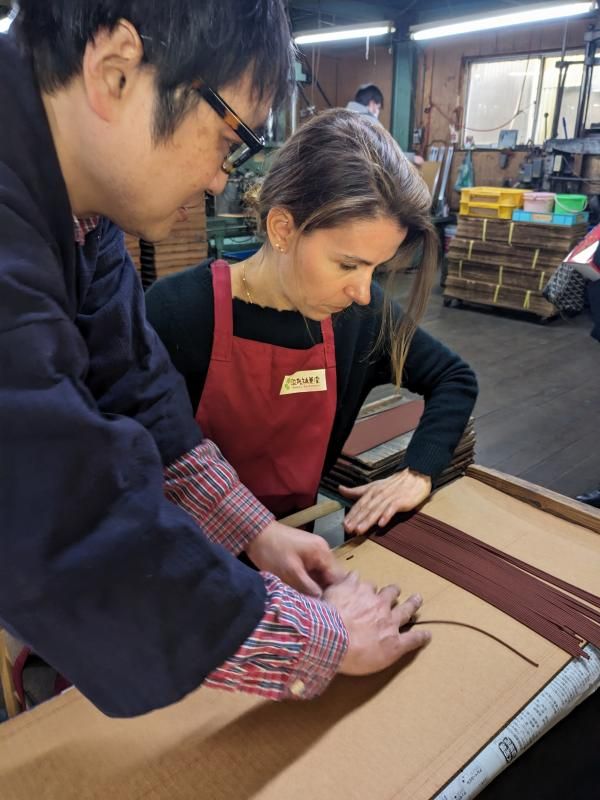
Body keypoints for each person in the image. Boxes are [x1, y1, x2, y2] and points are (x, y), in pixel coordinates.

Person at [0, 2, 431, 719]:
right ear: (115, 71)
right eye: (228, 137)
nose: (215, 181)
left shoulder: (84, 214)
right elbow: (55, 512)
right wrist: (315, 642)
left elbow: (138, 391)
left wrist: (254, 531)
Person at [146, 110, 478, 537]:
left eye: (374, 270)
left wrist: (418, 471)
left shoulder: (361, 315)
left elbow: (455, 377)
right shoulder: (178, 311)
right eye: (347, 264)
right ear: (283, 229)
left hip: (297, 543)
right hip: (182, 554)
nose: (362, 290)